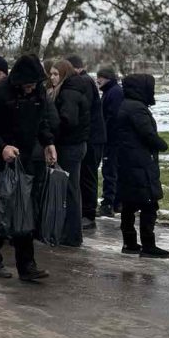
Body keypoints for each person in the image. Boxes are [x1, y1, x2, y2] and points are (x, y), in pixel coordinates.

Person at [0, 54, 56, 282]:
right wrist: (1, 147)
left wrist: (48, 142)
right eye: (27, 85)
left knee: (24, 211)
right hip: (0, 161)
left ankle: (27, 264)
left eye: (34, 85)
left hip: (26, 158)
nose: (30, 89)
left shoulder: (37, 92)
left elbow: (42, 120)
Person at [115, 74, 169, 259]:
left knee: (130, 204)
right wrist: (162, 144)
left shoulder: (128, 104)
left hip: (130, 162)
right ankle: (148, 245)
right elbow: (147, 134)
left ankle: (129, 243)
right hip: (139, 163)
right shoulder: (136, 108)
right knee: (149, 204)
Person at [47, 59, 91, 248]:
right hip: (74, 145)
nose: (52, 77)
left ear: (64, 74)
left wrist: (52, 132)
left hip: (69, 146)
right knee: (71, 190)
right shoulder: (73, 89)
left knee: (70, 191)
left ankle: (72, 235)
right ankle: (70, 233)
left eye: (56, 74)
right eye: (51, 74)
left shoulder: (69, 93)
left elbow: (68, 120)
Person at [67, 56, 105, 232]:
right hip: (91, 136)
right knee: (85, 176)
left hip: (91, 138)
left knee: (88, 176)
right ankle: (86, 212)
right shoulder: (86, 81)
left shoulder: (83, 82)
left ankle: (88, 214)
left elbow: (84, 110)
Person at [96, 67, 124, 216]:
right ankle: (115, 202)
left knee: (110, 171)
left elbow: (112, 117)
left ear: (107, 78)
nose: (97, 80)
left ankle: (108, 203)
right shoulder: (111, 91)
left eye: (100, 77)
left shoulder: (113, 93)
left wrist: (104, 134)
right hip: (112, 139)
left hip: (112, 140)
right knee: (113, 170)